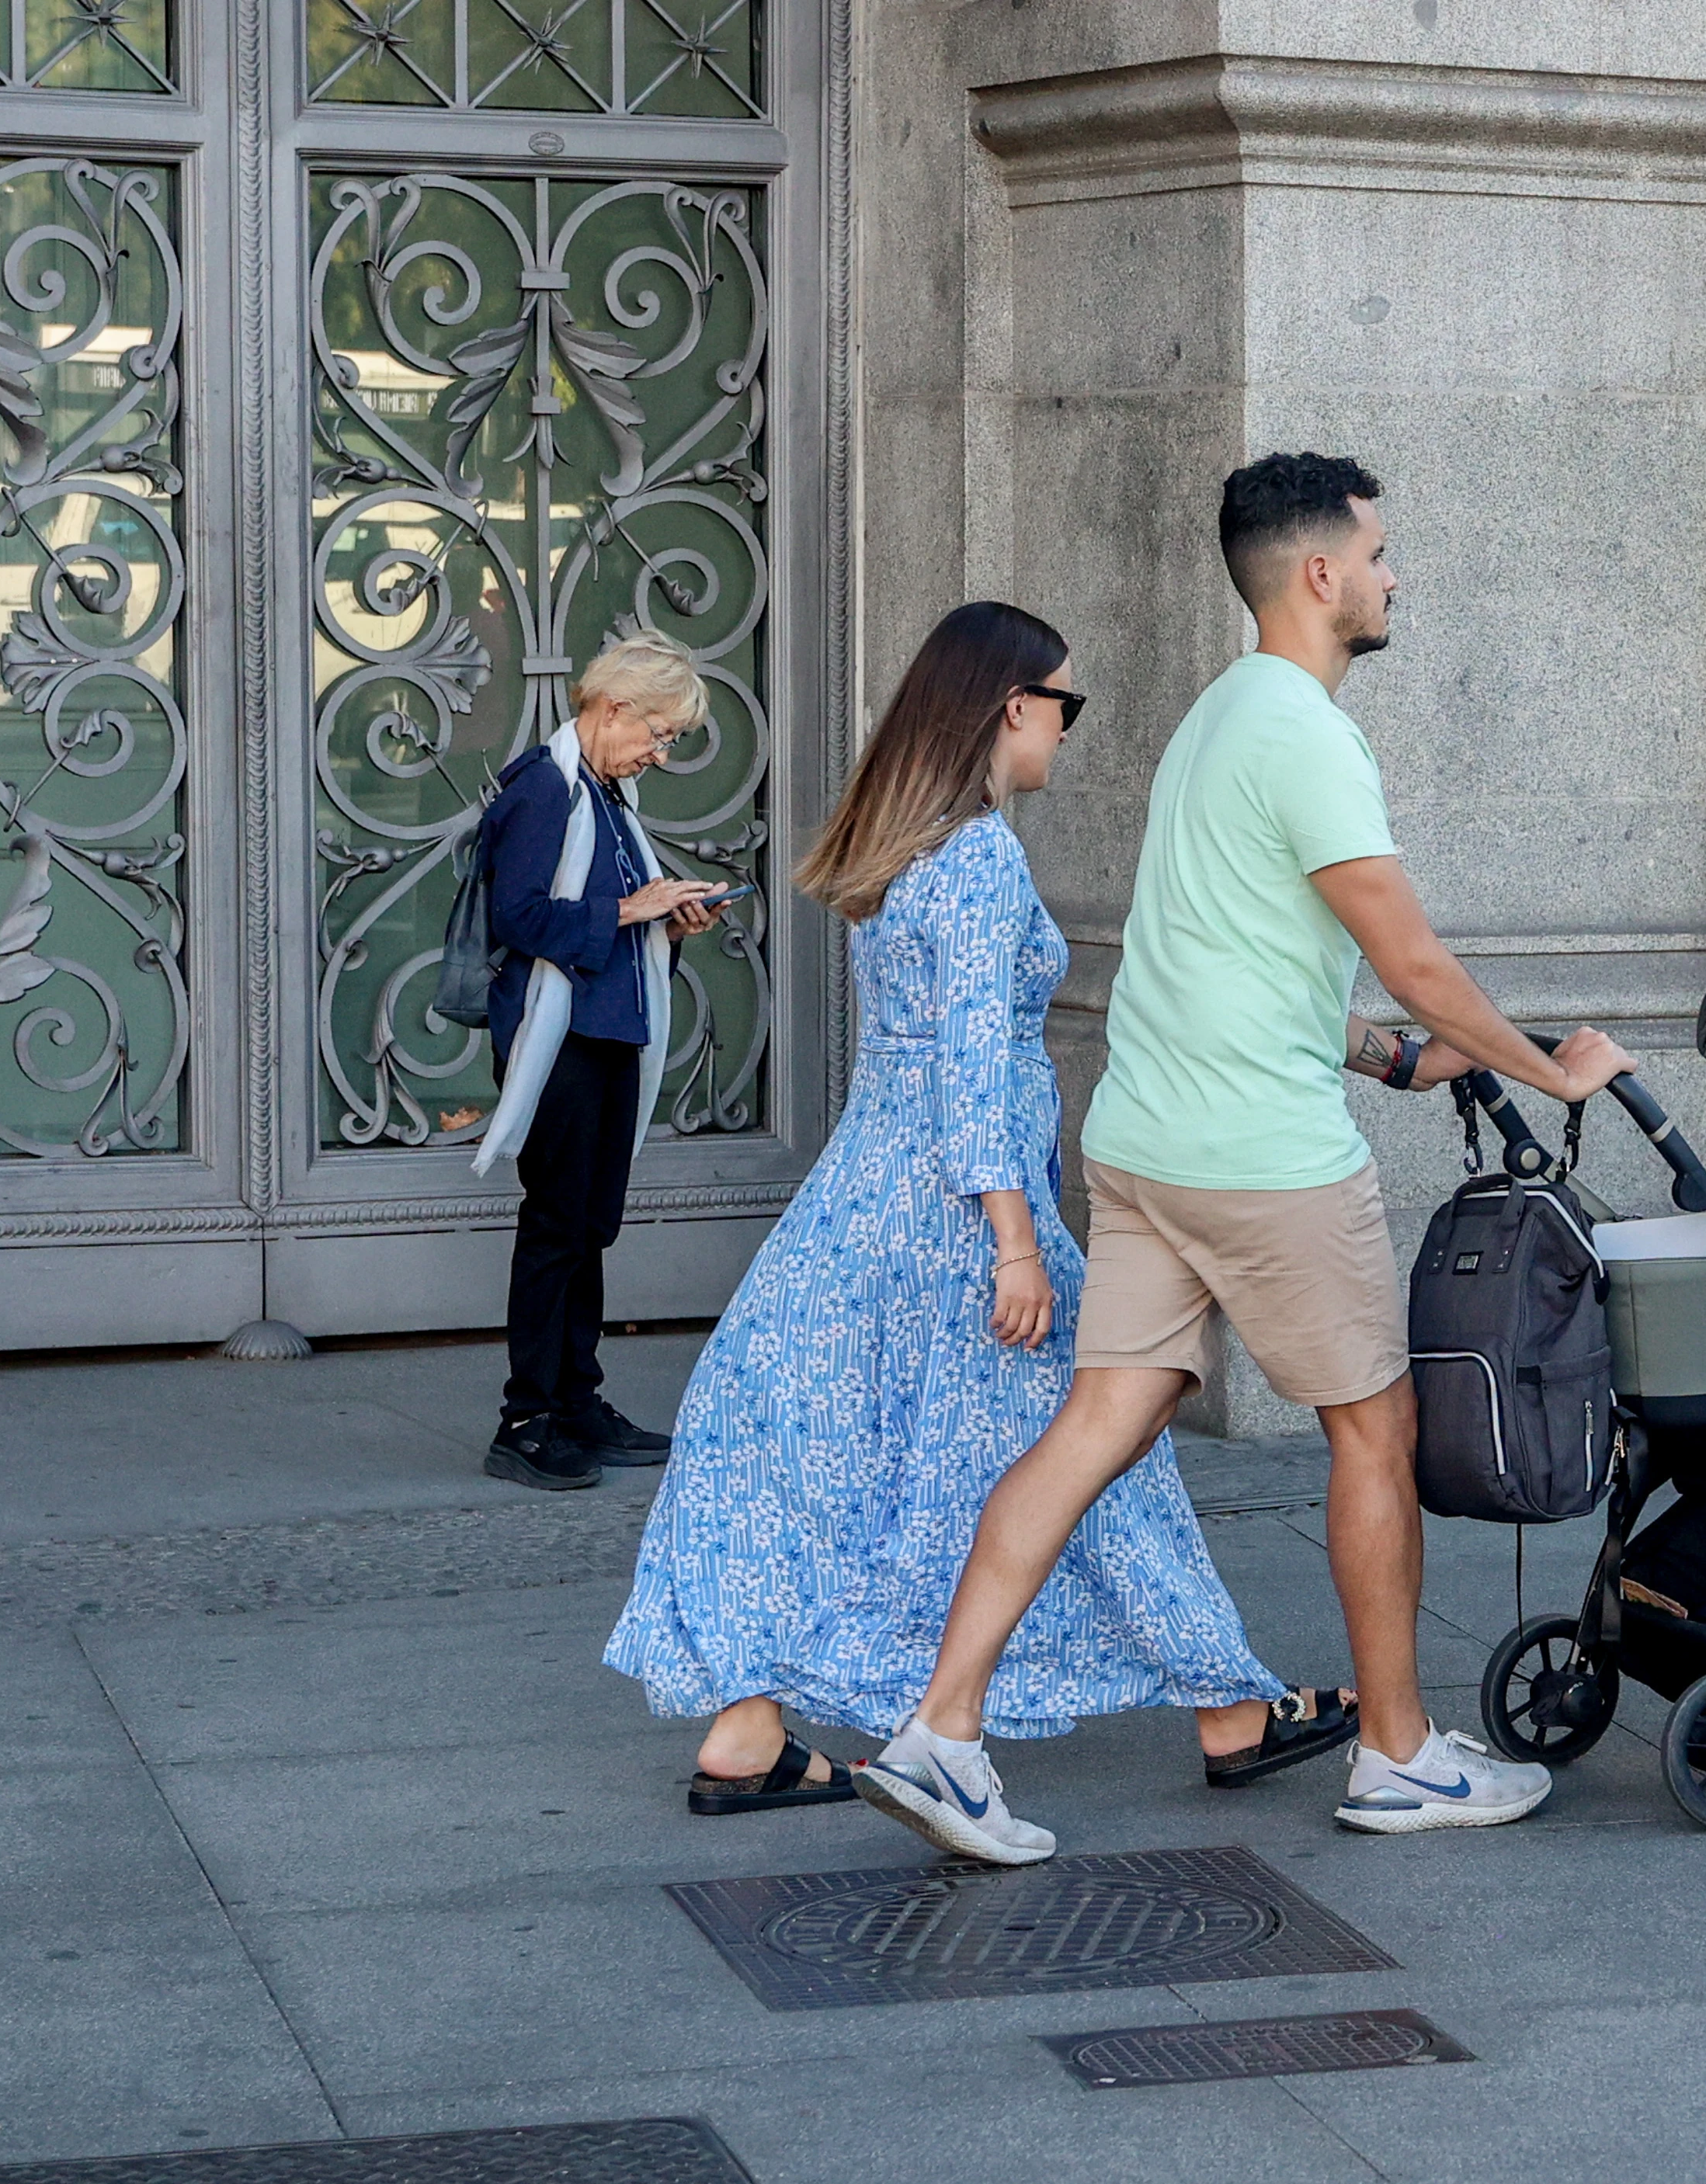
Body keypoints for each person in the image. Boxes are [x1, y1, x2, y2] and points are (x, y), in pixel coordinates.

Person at [853, 453, 1636, 1865]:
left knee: (1097, 1424)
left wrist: (1387, 1054)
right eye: (1382, 553)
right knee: (1374, 1431)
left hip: (1147, 1141)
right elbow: (1411, 949)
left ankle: (941, 1729)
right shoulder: (1310, 737)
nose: (1397, 576)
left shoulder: (1219, 719)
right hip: (1264, 1159)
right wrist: (1546, 1061)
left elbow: (1225, 953)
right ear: (1320, 574)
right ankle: (1398, 1754)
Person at [604, 602, 1354, 1815]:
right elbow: (964, 1060)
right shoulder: (979, 857)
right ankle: (1227, 1706)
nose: (1069, 727)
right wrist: (1013, 1238)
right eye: (1067, 702)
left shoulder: (909, 849)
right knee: (1101, 1455)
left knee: (786, 1442)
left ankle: (747, 1728)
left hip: (863, 1197)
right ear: (1014, 705)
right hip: (958, 1211)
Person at [471, 631, 728, 1491]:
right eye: (658, 732)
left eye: (670, 740)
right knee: (556, 1226)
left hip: (608, 1031)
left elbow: (607, 921)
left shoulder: (604, 792)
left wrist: (666, 921)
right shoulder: (545, 788)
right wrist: (631, 907)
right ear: (613, 707)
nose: (659, 753)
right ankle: (526, 1418)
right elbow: (520, 917)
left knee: (589, 1224)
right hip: (561, 1041)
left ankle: (577, 1400)